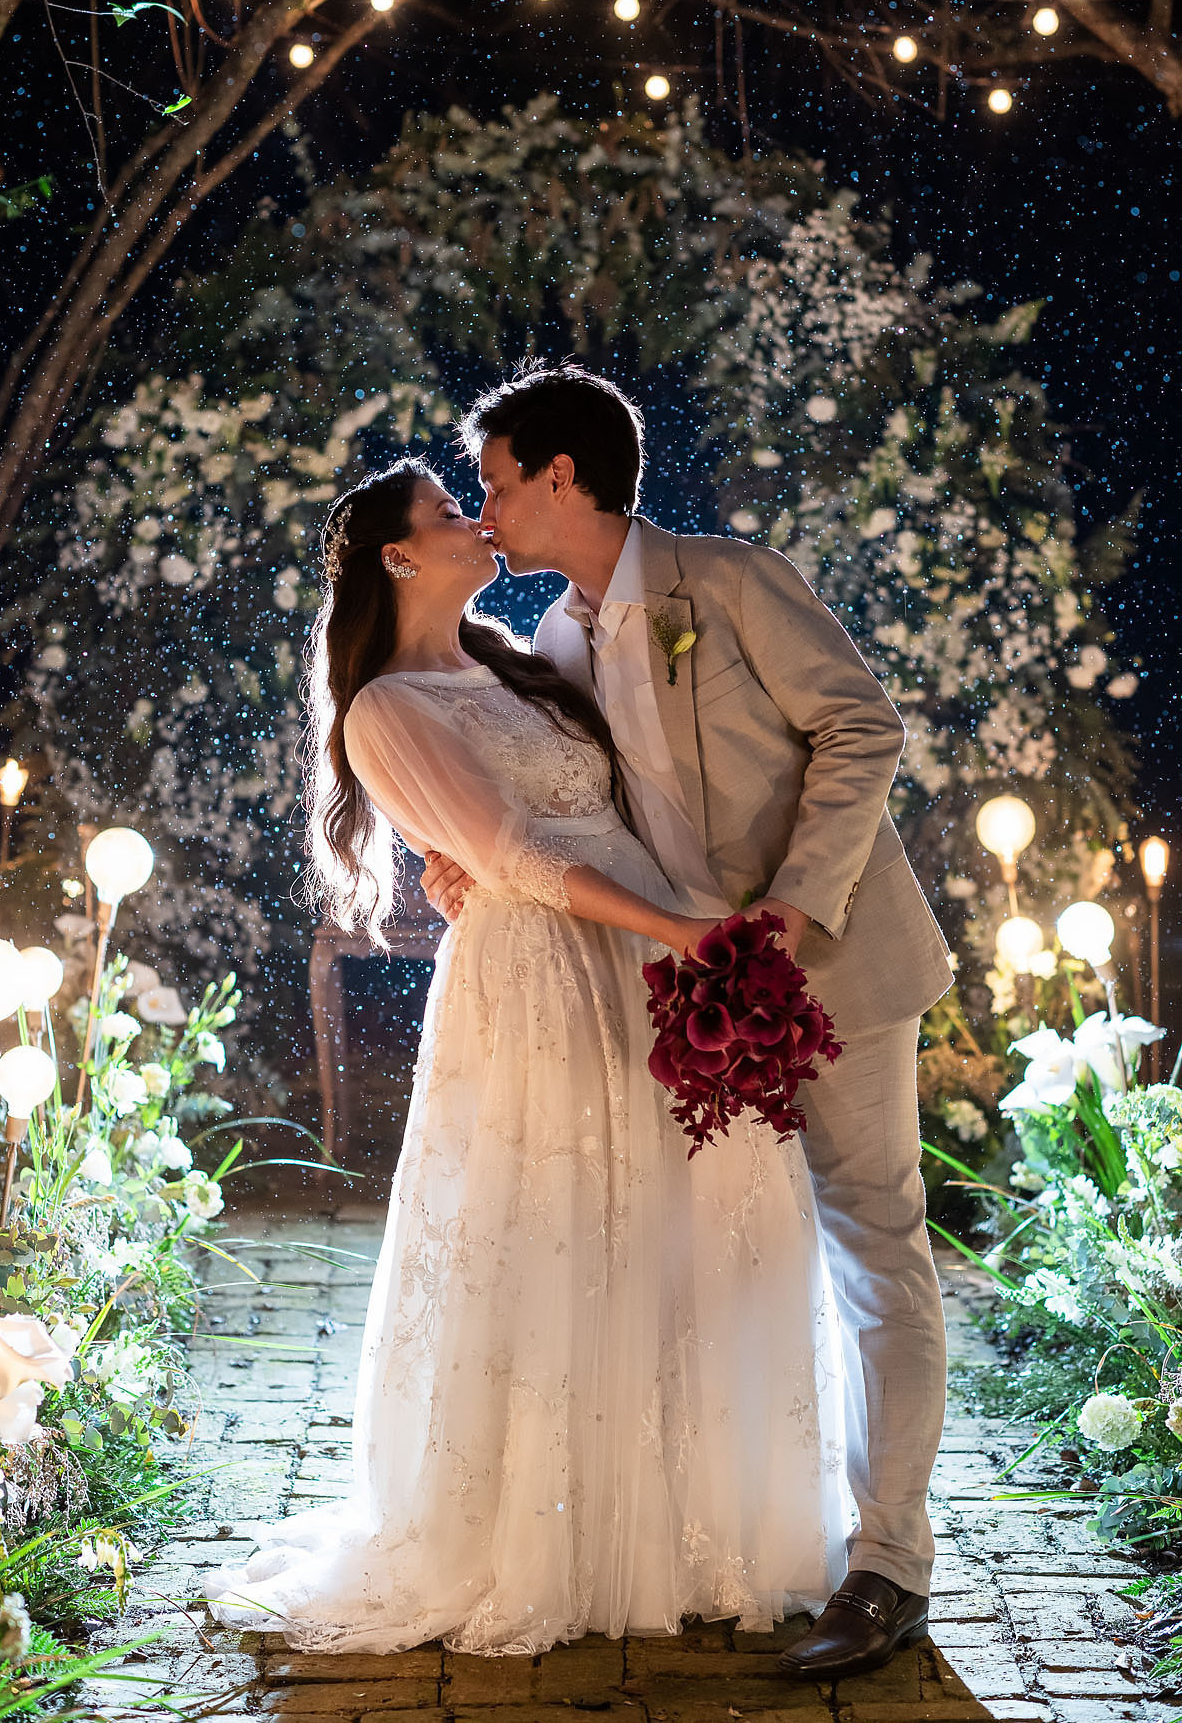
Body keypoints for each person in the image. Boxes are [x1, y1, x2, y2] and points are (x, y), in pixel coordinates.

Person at [203, 457, 852, 1654]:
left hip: (644, 948)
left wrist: (676, 928)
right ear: (399, 555)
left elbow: (589, 805)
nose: (475, 520)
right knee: (564, 1218)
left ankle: (688, 1512)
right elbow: (507, 854)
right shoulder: (385, 707)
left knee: (677, 1214)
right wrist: (676, 931)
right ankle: (550, 1530)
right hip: (552, 977)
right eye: (450, 515)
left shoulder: (515, 655)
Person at [421, 365, 954, 1681]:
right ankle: (716, 1529)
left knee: (870, 1247)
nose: (483, 509)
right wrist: (460, 867)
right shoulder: (553, 643)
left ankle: (886, 1563)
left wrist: (784, 910)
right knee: (726, 1256)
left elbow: (859, 727)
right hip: (685, 1007)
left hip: (822, 967)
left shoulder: (724, 582)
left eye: (493, 481)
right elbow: (547, 812)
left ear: (563, 477)